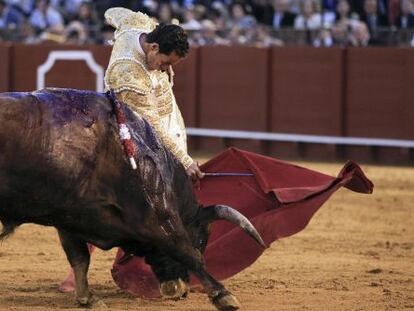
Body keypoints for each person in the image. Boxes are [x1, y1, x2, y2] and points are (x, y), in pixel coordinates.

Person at [104, 7, 204, 179]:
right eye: (165, 62)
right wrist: (184, 160)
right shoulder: (129, 73)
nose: (166, 69)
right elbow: (152, 123)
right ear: (154, 47)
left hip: (167, 114)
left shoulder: (135, 25)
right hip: (143, 131)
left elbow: (112, 12)